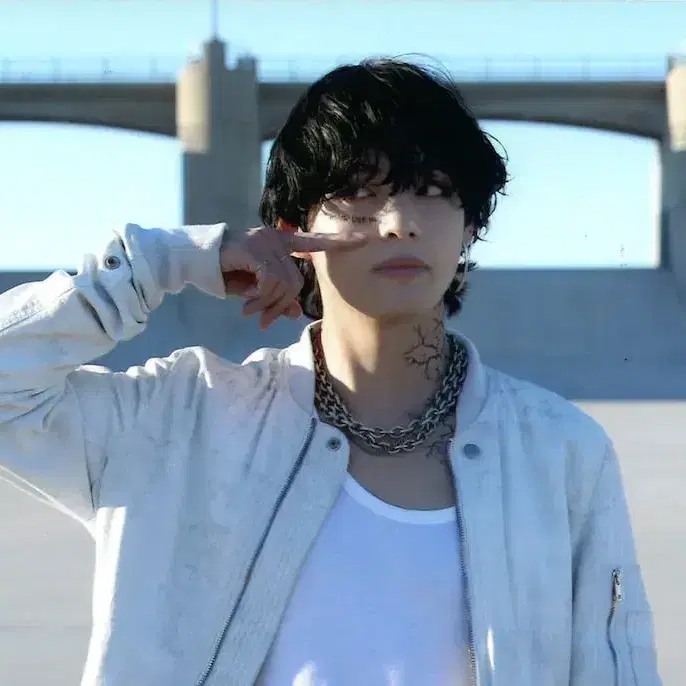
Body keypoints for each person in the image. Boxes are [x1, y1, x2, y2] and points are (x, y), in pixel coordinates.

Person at [0, 57, 660, 686]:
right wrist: (168, 261)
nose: (399, 223)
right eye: (357, 194)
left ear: (469, 227)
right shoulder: (180, 422)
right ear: (293, 228)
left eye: (433, 192)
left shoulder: (558, 453)